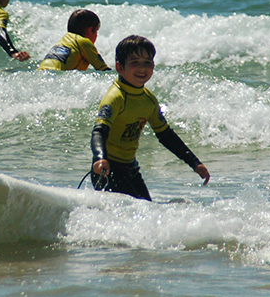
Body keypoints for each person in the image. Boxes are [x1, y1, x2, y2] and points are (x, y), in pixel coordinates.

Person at [90, 35, 210, 201]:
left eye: (147, 62)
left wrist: (195, 163)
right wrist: (100, 158)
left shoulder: (149, 100)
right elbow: (99, 132)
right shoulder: (115, 97)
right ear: (119, 67)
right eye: (135, 62)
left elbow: (166, 135)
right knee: (129, 211)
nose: (142, 68)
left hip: (131, 169)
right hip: (107, 169)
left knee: (147, 208)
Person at [38, 8, 110, 71]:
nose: (96, 35)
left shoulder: (64, 41)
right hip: (55, 75)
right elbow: (104, 71)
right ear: (89, 30)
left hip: (40, 72)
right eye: (96, 31)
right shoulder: (84, 42)